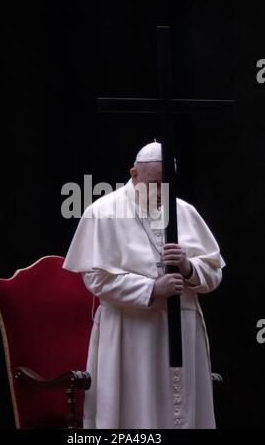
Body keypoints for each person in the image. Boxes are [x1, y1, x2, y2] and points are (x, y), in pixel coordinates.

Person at [63, 141, 225, 429]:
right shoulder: (103, 212)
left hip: (183, 334)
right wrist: (151, 289)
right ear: (134, 175)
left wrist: (189, 268)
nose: (161, 192)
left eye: (167, 184)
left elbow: (213, 274)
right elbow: (95, 278)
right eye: (154, 183)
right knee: (135, 415)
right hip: (130, 332)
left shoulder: (185, 211)